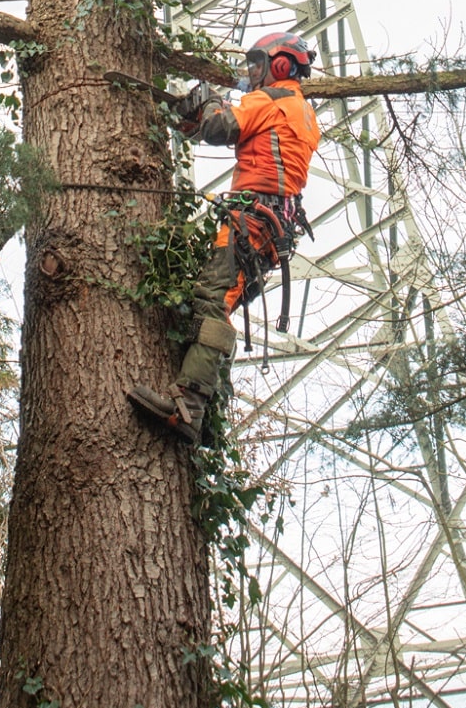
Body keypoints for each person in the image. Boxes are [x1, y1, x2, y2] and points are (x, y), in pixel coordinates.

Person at [127, 32, 321, 445]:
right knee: (220, 306)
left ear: (281, 66)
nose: (252, 74)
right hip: (275, 228)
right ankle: (208, 413)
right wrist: (194, 114)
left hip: (253, 219)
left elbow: (220, 127)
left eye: (258, 65)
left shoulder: (269, 100)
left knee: (212, 302)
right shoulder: (303, 112)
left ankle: (190, 408)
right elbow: (250, 141)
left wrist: (209, 98)